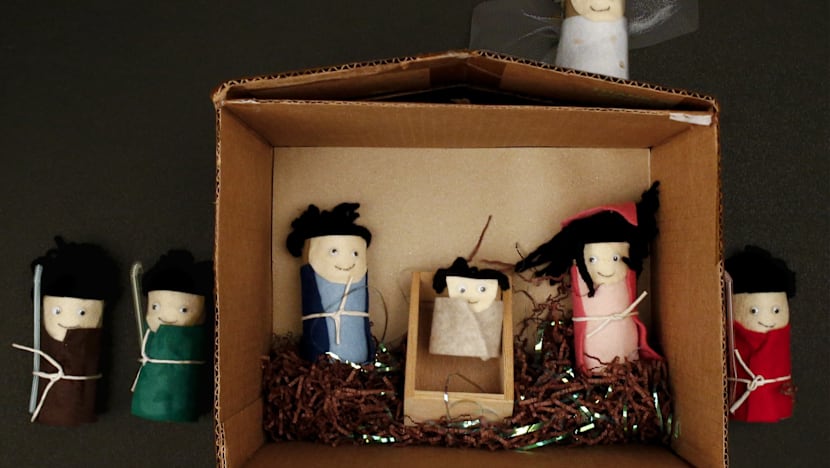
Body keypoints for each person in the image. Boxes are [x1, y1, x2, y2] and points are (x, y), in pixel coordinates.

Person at [516, 182, 661, 374]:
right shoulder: (580, 270)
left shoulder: (628, 261)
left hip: (628, 351)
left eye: (615, 258)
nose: (606, 267)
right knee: (591, 364)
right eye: (591, 259)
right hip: (590, 353)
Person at [286, 203, 374, 364]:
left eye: (355, 253)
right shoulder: (311, 272)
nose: (347, 260)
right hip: (322, 362)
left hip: (358, 360)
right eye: (334, 251)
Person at [726, 246, 795, 422]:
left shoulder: (781, 337)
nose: (767, 319)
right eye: (754, 311)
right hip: (739, 400)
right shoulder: (734, 333)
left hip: (775, 395)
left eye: (776, 310)